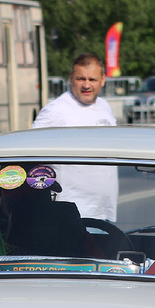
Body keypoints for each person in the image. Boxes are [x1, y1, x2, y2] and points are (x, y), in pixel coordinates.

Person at [32, 52, 118, 221]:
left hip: (105, 209)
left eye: (92, 79)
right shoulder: (56, 110)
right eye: (81, 79)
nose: (86, 85)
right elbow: (30, 152)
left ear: (103, 79)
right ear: (71, 78)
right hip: (70, 211)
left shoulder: (104, 106)